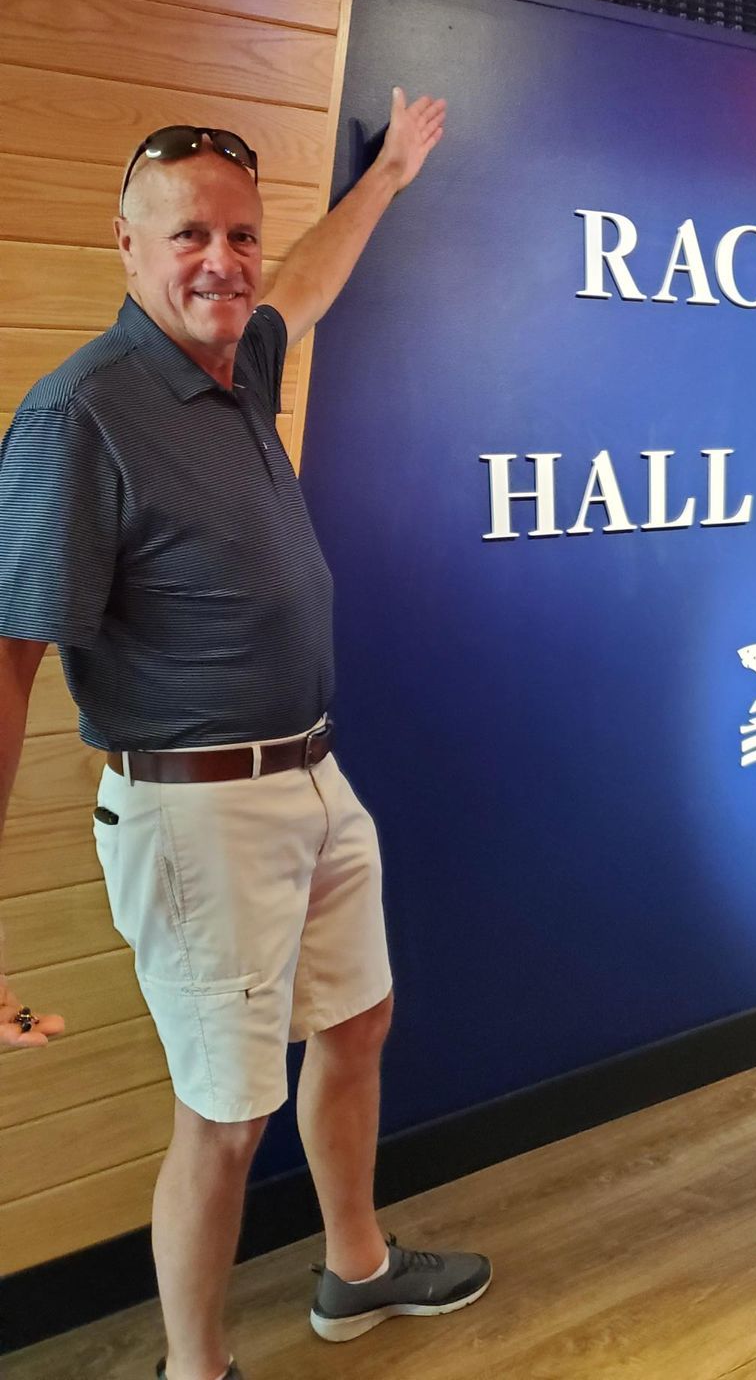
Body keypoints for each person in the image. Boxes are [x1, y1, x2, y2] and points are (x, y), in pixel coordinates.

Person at [0, 93, 491, 1380]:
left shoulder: (238, 366)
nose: (220, 260)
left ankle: (356, 1270)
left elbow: (310, 286)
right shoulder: (81, 415)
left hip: (315, 780)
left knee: (359, 1023)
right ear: (125, 246)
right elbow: (9, 664)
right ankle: (194, 1370)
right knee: (226, 1115)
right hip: (195, 814)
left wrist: (384, 176)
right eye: (186, 238)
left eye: (237, 234)